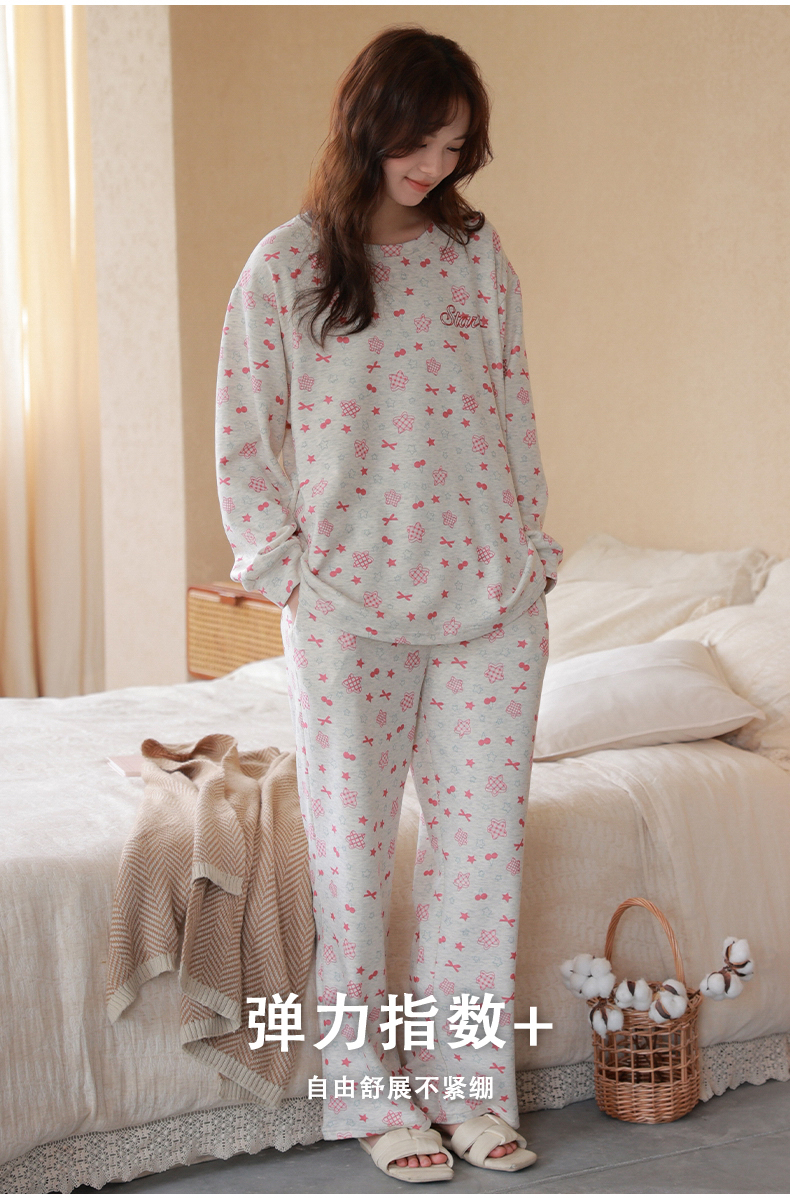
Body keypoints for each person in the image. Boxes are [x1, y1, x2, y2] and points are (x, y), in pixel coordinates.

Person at [215, 25, 563, 1183]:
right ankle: (368, 1093)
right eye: (417, 141)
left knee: (480, 863)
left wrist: (530, 545)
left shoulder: (473, 255)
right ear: (368, 124)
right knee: (352, 860)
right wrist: (281, 568)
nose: (432, 165)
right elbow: (243, 434)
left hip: (492, 604)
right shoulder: (288, 266)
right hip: (348, 607)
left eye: (454, 146)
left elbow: (512, 406)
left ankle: (469, 1088)